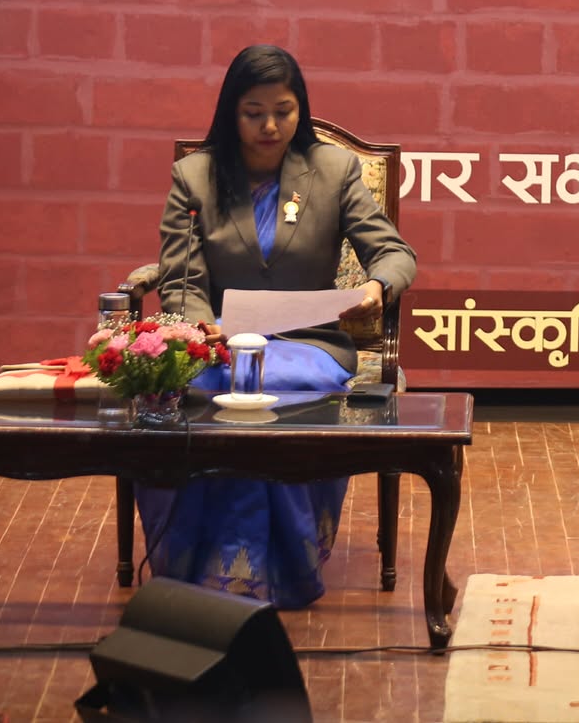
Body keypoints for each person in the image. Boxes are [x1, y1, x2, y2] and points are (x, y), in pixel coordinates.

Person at [136, 45, 418, 608]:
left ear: (300, 109)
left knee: (276, 387)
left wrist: (376, 287)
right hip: (218, 341)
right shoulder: (195, 177)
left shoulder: (333, 171)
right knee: (215, 385)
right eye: (254, 113)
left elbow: (394, 253)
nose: (270, 126)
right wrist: (201, 331)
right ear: (231, 113)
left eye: (283, 111)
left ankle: (283, 569)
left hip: (308, 342)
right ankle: (201, 567)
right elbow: (182, 281)